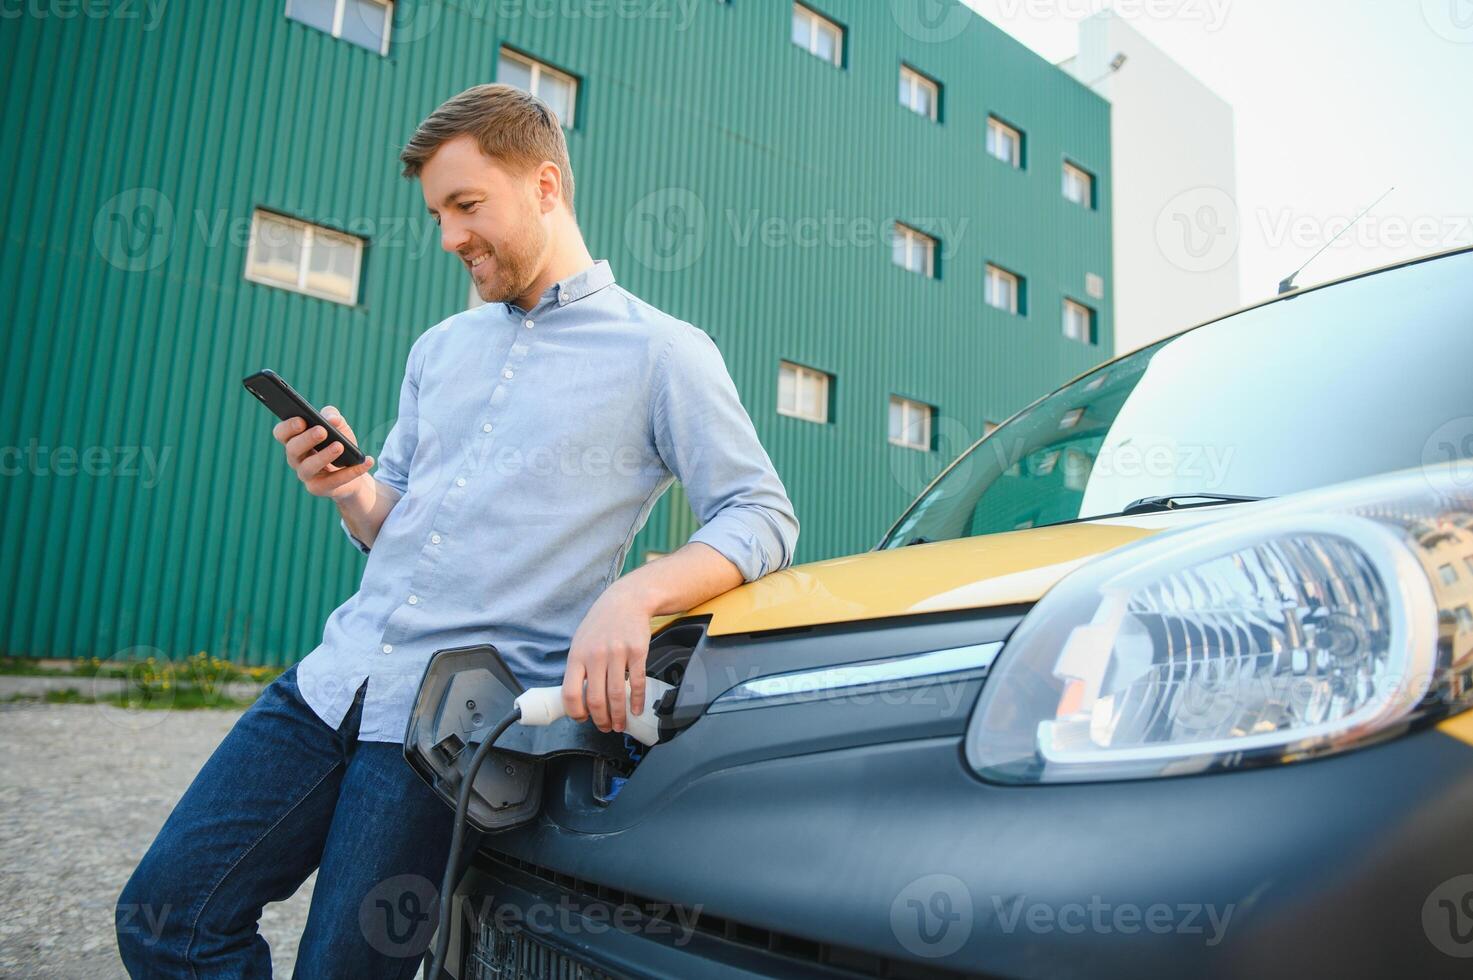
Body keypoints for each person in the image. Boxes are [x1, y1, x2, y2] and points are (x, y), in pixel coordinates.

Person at [116, 82, 798, 978]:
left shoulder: (661, 353)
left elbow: (760, 513)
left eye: (466, 206)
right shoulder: (437, 348)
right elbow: (392, 515)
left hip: (447, 732)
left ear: (546, 186)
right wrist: (349, 489)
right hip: (332, 682)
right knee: (166, 918)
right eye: (437, 212)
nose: (448, 237)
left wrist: (636, 595)